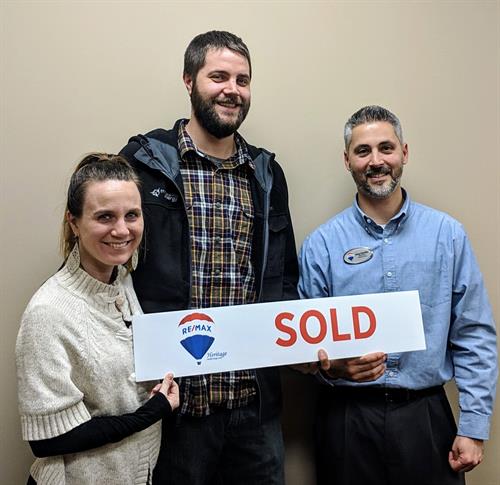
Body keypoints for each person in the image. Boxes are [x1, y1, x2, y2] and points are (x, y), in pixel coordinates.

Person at [120, 31, 298, 485]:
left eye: (242, 80)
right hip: (174, 408)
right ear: (189, 81)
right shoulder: (144, 163)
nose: (232, 90)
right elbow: (112, 269)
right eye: (218, 76)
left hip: (253, 408)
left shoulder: (267, 174)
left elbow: (284, 278)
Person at [298, 106, 497, 485]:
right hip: (347, 420)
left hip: (425, 417)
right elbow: (306, 347)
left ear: (404, 153)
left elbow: (474, 335)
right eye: (363, 151)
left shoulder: (447, 235)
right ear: (347, 160)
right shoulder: (320, 245)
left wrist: (473, 427)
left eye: (386, 148)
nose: (376, 161)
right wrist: (332, 367)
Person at [16, 153, 179, 485]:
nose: (121, 230)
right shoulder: (48, 312)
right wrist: (154, 411)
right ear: (74, 223)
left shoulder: (123, 281)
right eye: (105, 216)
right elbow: (49, 440)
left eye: (132, 215)